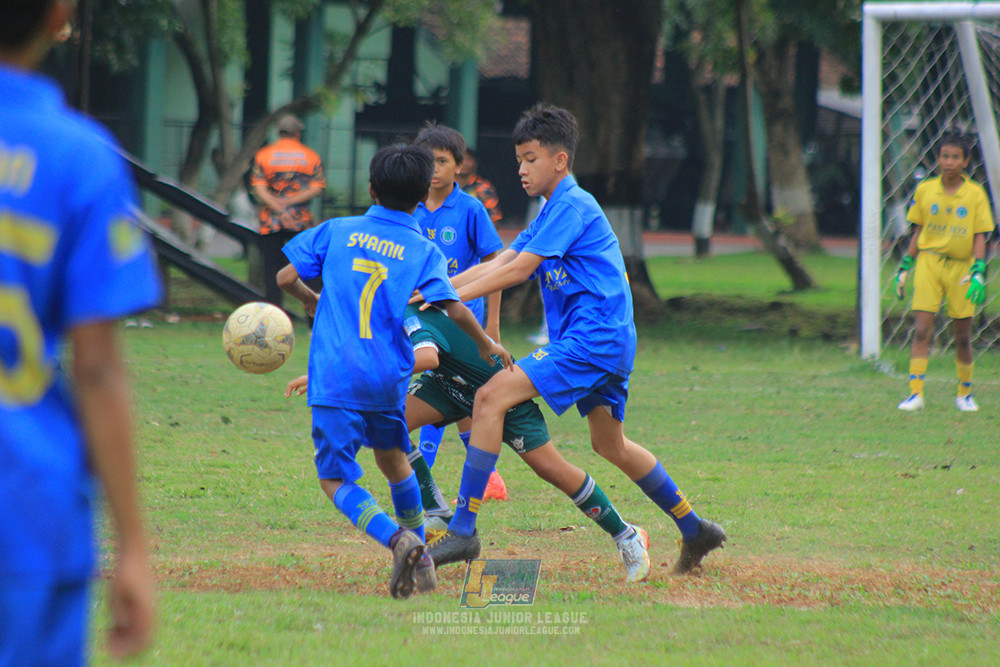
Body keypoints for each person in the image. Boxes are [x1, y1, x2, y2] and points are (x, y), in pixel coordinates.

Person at [428, 104, 726, 575]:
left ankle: (463, 530)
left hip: (594, 339)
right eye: (519, 160)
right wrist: (435, 291)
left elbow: (520, 271)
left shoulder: (572, 204)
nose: (521, 170)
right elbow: (501, 261)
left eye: (530, 159)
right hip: (605, 340)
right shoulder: (552, 210)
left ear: (560, 161)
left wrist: (441, 296)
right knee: (611, 445)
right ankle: (694, 528)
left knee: (488, 398)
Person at [275, 143, 511, 600]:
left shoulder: (336, 230)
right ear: (424, 194)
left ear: (370, 188)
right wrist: (485, 342)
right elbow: (452, 307)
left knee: (336, 478)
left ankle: (399, 540)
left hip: (335, 376)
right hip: (388, 379)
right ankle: (421, 557)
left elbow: (286, 277)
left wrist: (308, 299)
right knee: (394, 460)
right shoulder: (422, 250)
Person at [0, 0, 160, 662]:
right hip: (25, 508)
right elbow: (96, 368)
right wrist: (132, 546)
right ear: (57, 13)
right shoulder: (78, 155)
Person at [285, 303, 653, 582]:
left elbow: (426, 355)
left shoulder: (409, 312)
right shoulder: (377, 314)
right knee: (385, 432)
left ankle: (626, 534)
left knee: (551, 469)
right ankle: (439, 512)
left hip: (498, 394)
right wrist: (322, 376)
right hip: (447, 386)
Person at [411, 122, 509, 501]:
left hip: (461, 320)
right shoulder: (408, 207)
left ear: (459, 166)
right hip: (421, 318)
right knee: (450, 391)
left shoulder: (470, 209)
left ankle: (465, 478)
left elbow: (496, 265)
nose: (433, 168)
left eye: (441, 161)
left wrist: (493, 324)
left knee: (455, 391)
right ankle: (487, 478)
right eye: (427, 160)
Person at [894, 130, 995, 412]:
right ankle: (915, 393)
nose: (949, 162)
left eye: (955, 157)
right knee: (922, 330)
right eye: (944, 156)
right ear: (937, 159)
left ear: (965, 161)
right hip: (929, 262)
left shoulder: (975, 194)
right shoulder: (925, 190)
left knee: (962, 335)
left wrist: (978, 270)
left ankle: (964, 394)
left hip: (961, 268)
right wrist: (905, 266)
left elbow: (980, 235)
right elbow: (918, 231)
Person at [250, 113, 325, 307]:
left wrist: (279, 208)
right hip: (301, 223)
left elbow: (259, 189)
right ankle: (313, 316)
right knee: (308, 269)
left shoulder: (264, 155)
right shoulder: (310, 156)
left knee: (272, 272)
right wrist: (290, 203)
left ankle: (274, 317)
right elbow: (316, 188)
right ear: (297, 133)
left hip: (270, 223)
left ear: (278, 132)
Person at [457, 148, 503, 225]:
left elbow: (494, 218)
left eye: (469, 160)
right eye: (462, 160)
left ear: (475, 163)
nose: (465, 163)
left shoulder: (484, 188)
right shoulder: (447, 186)